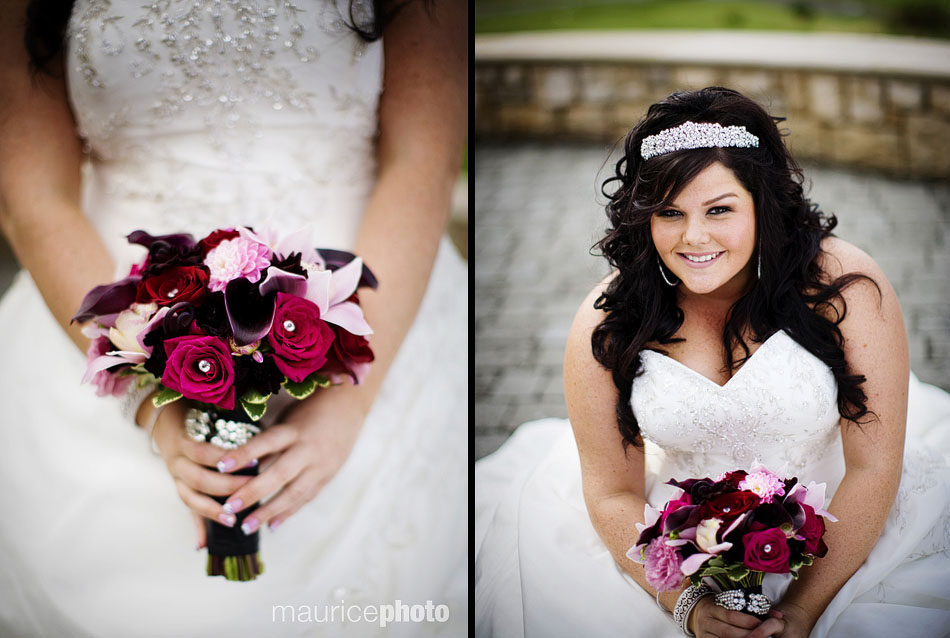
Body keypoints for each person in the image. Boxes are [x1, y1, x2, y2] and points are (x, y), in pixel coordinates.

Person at [0, 1, 467, 635]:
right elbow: (34, 193)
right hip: (105, 303)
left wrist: (349, 401)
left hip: (369, 294)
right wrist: (148, 394)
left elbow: (422, 160)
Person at [475, 87, 950, 637]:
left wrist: (799, 609)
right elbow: (612, 491)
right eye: (670, 213)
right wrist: (689, 605)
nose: (693, 238)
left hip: (846, 526)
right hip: (675, 543)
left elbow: (873, 467)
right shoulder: (611, 319)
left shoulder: (844, 286)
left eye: (719, 209)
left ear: (761, 205)